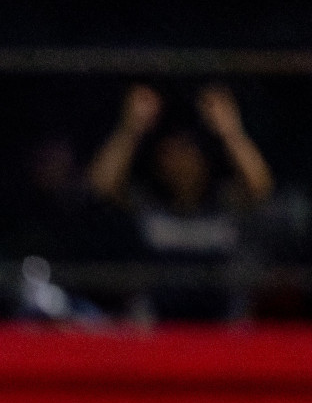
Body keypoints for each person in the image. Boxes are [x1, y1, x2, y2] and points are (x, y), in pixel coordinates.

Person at [87, 83, 274, 318]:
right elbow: (102, 185)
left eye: (187, 151)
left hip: (220, 323)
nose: (180, 163)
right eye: (170, 153)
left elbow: (260, 187)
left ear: (204, 158)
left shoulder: (225, 200)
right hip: (159, 324)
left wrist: (231, 132)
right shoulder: (149, 202)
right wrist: (130, 129)